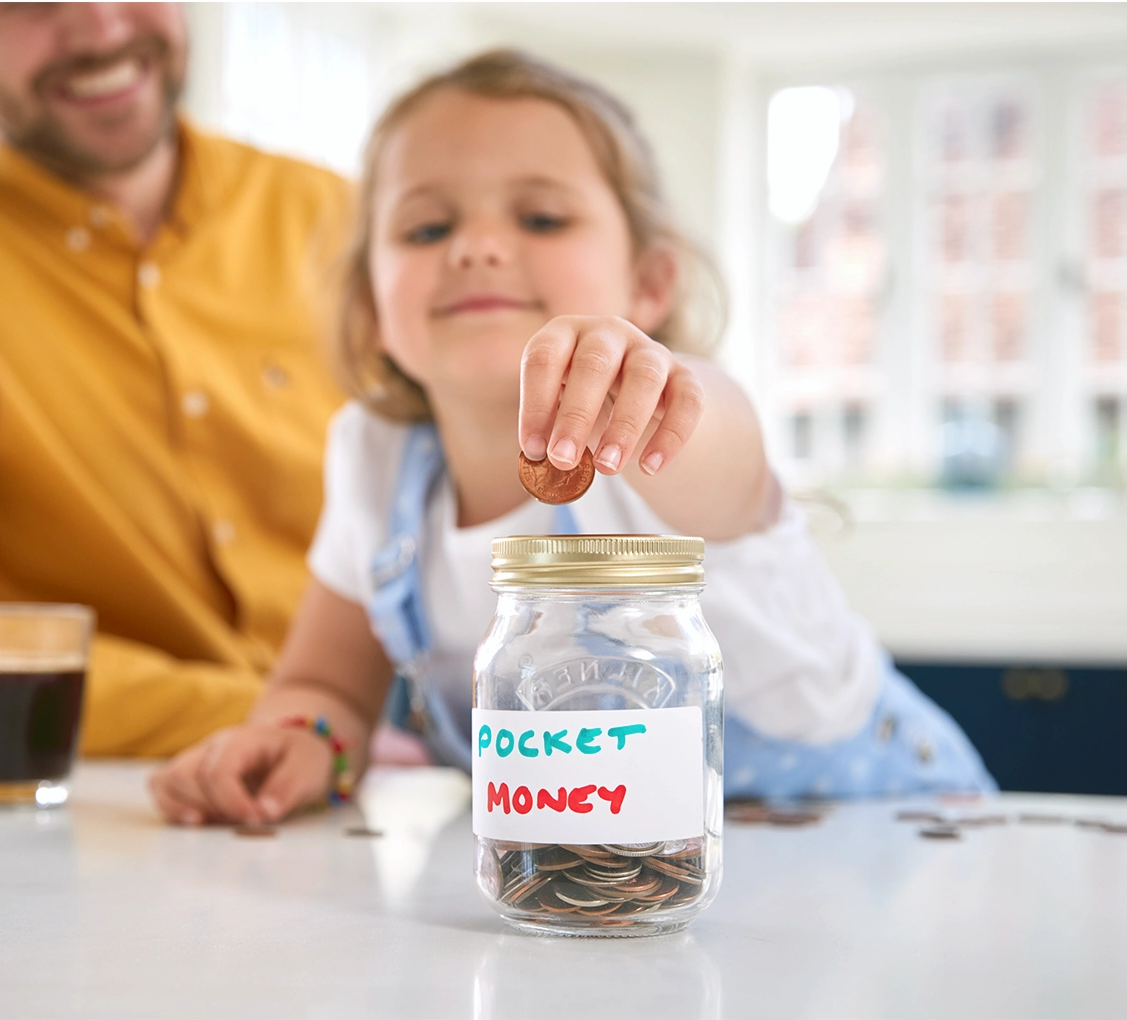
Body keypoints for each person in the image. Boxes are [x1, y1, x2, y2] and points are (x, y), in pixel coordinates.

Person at [148, 49, 995, 825]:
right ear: (372, 312)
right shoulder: (372, 458)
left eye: (543, 219)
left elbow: (717, 445)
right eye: (427, 229)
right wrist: (308, 739)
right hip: (600, 884)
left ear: (650, 283)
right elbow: (325, 681)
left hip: (881, 835)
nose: (478, 247)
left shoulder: (667, 426)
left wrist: (648, 379)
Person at [0, 3, 349, 756]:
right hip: (99, 819)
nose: (101, 27)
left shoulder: (338, 219)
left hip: (399, 791)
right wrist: (297, 718)